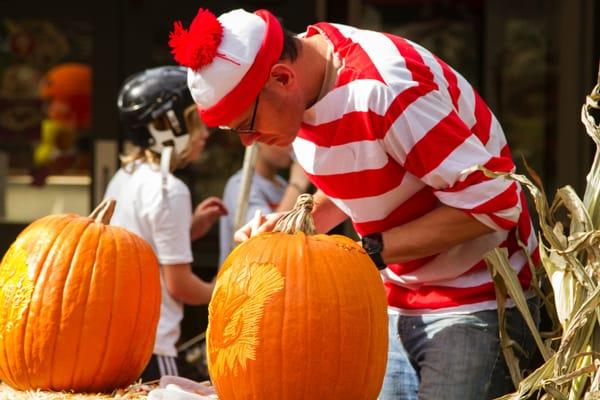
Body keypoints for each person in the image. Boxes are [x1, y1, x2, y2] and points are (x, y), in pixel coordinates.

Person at [168, 8, 540, 399]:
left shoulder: (388, 90)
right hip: (393, 301)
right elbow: (368, 170)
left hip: (474, 302)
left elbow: (496, 203)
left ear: (282, 77)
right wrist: (292, 230)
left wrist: (371, 252)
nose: (247, 141)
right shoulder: (300, 92)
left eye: (247, 124)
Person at [104, 65, 227, 381]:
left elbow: (142, 247)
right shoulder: (169, 190)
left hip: (117, 346)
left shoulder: (124, 177)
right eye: (195, 122)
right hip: (155, 349)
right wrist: (221, 290)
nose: (205, 133)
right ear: (166, 127)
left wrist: (188, 230)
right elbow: (180, 285)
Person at [219, 143, 310, 265]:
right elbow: (264, 236)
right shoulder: (240, 185)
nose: (292, 145)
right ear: (260, 140)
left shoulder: (282, 185)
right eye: (284, 139)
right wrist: (298, 183)